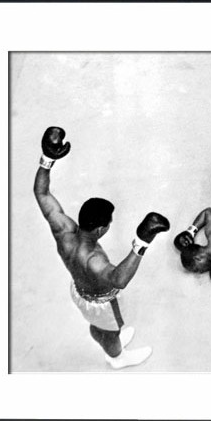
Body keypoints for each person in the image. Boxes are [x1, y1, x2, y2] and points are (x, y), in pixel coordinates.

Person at [33, 126, 170, 369]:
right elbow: (118, 279)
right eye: (110, 223)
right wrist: (142, 241)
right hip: (100, 301)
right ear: (100, 230)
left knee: (100, 327)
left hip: (79, 290)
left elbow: (41, 194)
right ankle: (116, 356)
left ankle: (104, 336)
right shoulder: (94, 260)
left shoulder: (63, 230)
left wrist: (47, 159)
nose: (111, 225)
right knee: (112, 330)